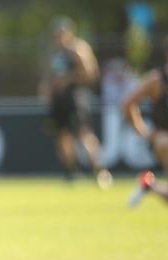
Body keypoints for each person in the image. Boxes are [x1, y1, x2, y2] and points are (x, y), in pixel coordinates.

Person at [38, 16, 113, 188]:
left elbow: (90, 73)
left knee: (83, 133)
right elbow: (49, 76)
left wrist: (68, 79)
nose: (59, 36)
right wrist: (46, 88)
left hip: (74, 97)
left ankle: (99, 170)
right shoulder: (55, 52)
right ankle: (71, 172)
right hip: (58, 100)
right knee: (62, 135)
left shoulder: (77, 49)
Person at [123, 34, 168, 207]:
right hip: (163, 137)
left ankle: (148, 185)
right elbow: (128, 104)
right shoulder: (156, 80)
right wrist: (143, 131)